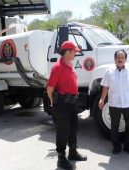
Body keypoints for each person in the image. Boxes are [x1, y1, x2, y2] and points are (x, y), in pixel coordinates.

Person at [47, 41, 87, 170]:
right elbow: (50, 87)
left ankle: (72, 152)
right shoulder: (57, 67)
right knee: (63, 131)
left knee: (73, 128)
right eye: (74, 51)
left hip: (71, 103)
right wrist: (53, 101)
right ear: (68, 52)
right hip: (62, 104)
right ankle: (61, 159)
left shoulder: (70, 65)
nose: (76, 53)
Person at [99, 50, 129, 155]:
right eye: (118, 57)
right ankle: (116, 147)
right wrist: (102, 99)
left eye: (122, 57)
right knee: (114, 127)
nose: (120, 59)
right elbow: (105, 87)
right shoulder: (109, 71)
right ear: (114, 59)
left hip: (128, 104)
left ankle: (128, 147)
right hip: (114, 104)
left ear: (125, 59)